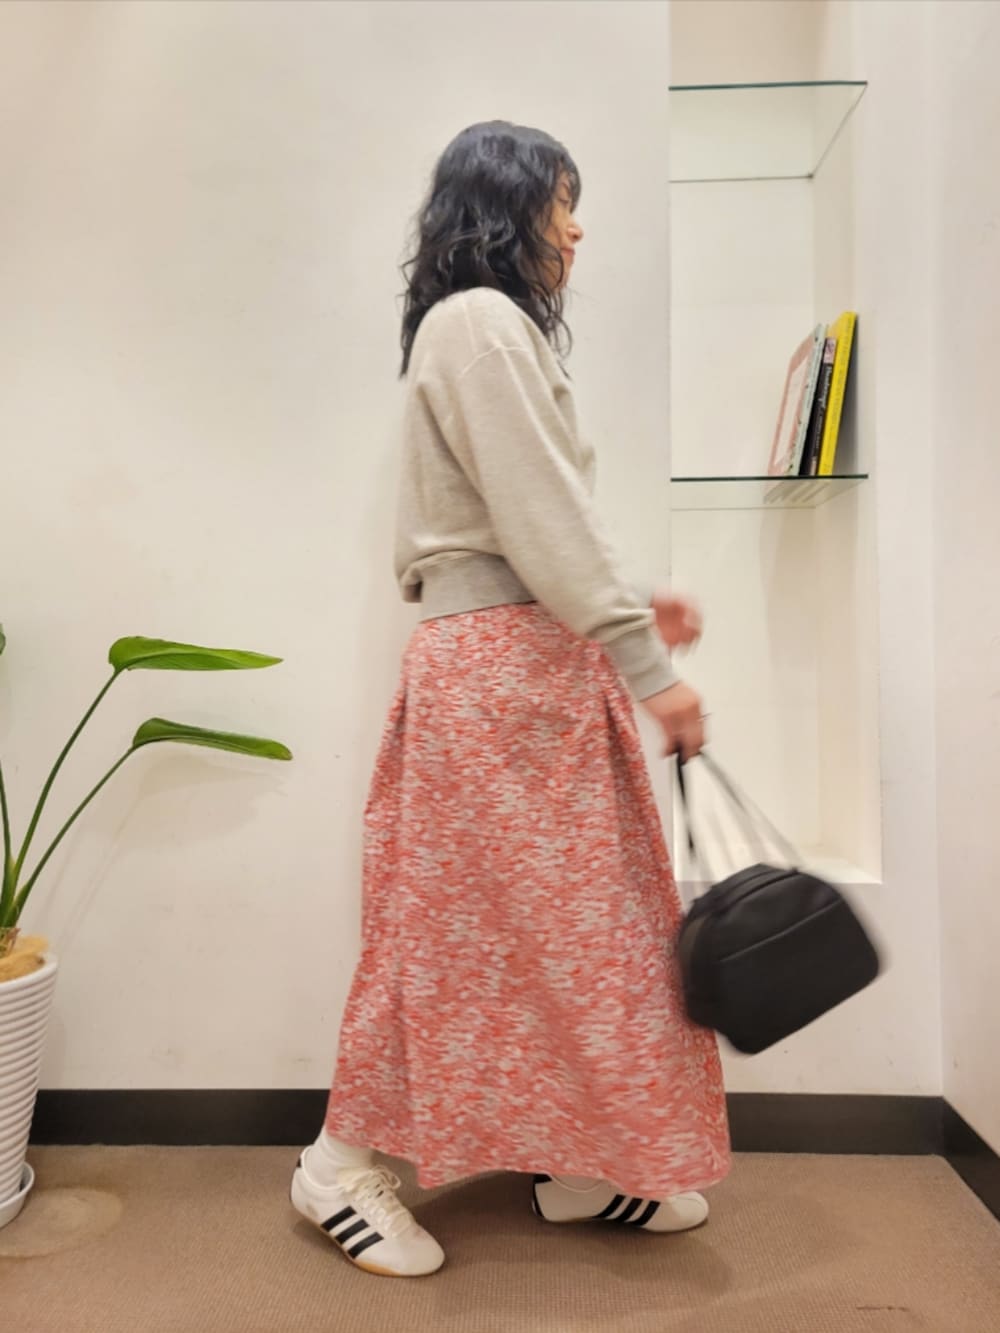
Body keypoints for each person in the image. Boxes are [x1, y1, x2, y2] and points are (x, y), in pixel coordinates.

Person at [290, 121, 730, 1278]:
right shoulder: (480, 323)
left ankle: (575, 1159)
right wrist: (650, 669)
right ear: (505, 206)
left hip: (523, 667)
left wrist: (624, 606)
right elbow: (538, 519)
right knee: (447, 933)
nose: (577, 229)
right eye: (560, 202)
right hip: (497, 680)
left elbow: (533, 526)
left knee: (571, 938)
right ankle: (336, 1163)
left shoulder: (483, 329)